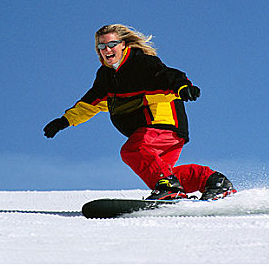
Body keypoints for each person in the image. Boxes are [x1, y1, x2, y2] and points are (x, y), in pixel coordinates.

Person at [43, 24, 235, 200]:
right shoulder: (106, 77)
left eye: (112, 44)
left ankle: (171, 190)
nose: (107, 50)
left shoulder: (141, 63)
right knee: (161, 176)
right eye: (102, 47)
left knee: (133, 151)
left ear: (123, 44)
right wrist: (64, 121)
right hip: (152, 131)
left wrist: (183, 87)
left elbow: (166, 75)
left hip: (162, 123)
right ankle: (212, 181)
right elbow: (91, 103)